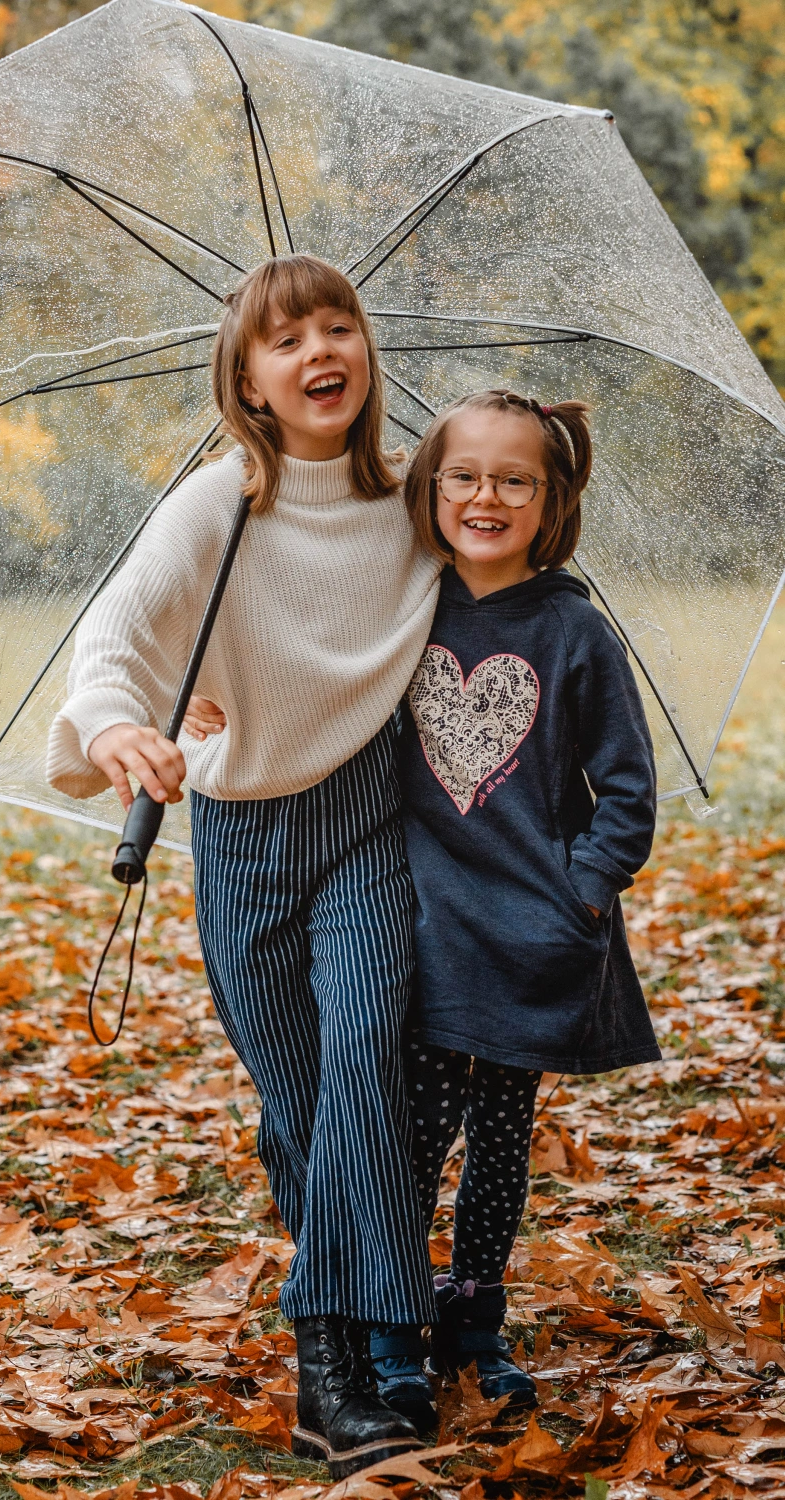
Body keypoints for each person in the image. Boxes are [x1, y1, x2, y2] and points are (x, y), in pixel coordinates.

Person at [46, 254, 443, 1476]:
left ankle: (333, 1369)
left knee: (369, 1064)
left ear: (366, 353)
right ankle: (383, 1323)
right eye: (287, 341)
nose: (320, 351)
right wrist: (118, 725)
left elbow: (502, 576)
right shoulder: (221, 504)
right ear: (251, 381)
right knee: (306, 1103)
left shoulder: (417, 502)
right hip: (246, 841)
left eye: (340, 327)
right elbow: (114, 630)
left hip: (372, 824)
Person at [393, 388, 660, 1408]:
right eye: (463, 475)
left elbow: (626, 791)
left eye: (514, 480)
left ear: (551, 503)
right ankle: (397, 1307)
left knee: (500, 1140)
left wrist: (581, 897)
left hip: (532, 937)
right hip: (425, 928)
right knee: (415, 1133)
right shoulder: (402, 609)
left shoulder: (574, 632)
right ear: (430, 488)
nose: (485, 496)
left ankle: (476, 1311)